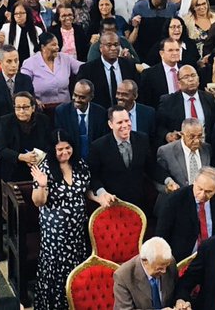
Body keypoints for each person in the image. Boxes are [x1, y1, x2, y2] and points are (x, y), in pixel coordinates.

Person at [30, 129, 94, 309]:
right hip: (56, 235)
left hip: (77, 232)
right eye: (60, 149)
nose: (65, 152)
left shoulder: (79, 164)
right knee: (57, 273)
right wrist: (42, 185)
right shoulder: (44, 169)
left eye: (68, 148)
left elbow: (85, 190)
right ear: (53, 150)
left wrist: (99, 198)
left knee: (76, 268)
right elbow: (38, 201)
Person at [89, 106, 156, 211]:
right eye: (120, 122)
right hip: (113, 204)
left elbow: (152, 167)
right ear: (110, 124)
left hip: (140, 203)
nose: (125, 125)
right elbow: (94, 177)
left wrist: (167, 181)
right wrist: (102, 193)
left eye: (127, 121)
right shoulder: (98, 146)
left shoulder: (142, 139)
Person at [114, 236, 180, 310]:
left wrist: (180, 301)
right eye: (160, 268)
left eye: (166, 266)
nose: (164, 271)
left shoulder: (169, 263)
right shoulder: (123, 276)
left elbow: (177, 291)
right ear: (145, 261)